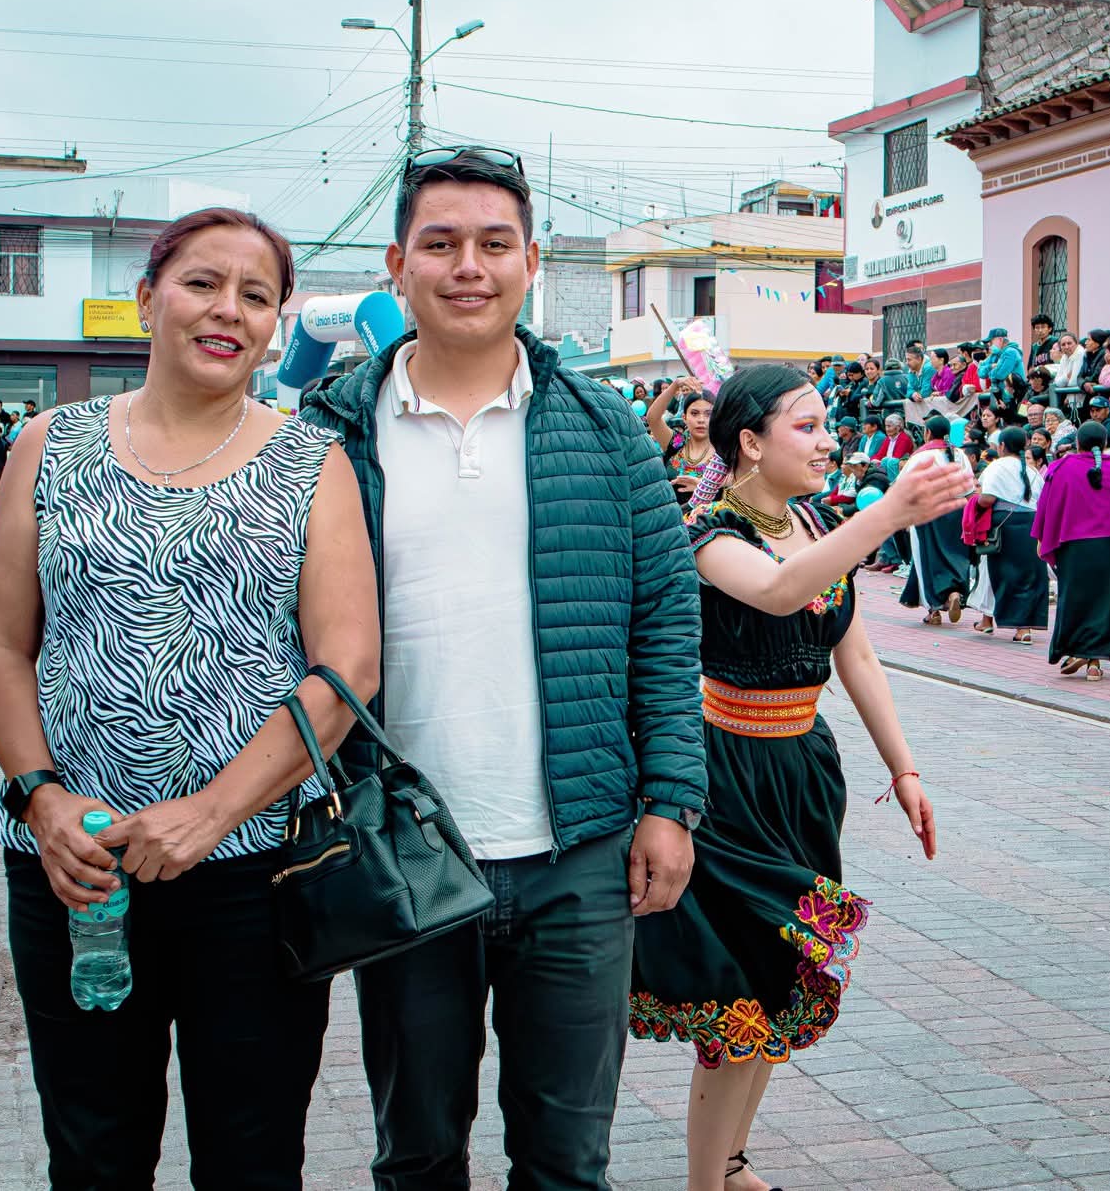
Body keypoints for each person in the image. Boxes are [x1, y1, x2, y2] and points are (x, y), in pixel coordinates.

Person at [299, 147, 706, 1190]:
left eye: (493, 243)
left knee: (567, 1162)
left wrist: (671, 802)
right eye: (440, 243)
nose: (467, 267)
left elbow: (665, 622)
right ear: (399, 264)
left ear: (531, 261)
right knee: (417, 1154)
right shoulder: (330, 433)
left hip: (579, 853)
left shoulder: (605, 431)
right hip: (405, 853)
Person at [0, 206, 381, 1188]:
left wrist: (210, 813)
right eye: (202, 283)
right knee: (92, 1152)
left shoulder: (311, 461)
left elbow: (346, 670)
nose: (228, 309)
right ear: (147, 299)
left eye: (257, 295)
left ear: (276, 325)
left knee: (251, 1158)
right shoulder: (49, 444)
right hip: (76, 872)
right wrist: (40, 796)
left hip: (255, 873)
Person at [629, 364, 955, 1191]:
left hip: (804, 776)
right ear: (749, 441)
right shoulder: (709, 535)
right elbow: (778, 592)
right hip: (727, 783)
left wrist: (904, 767)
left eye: (825, 424)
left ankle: (733, 1162)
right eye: (805, 427)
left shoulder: (814, 521)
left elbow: (857, 654)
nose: (827, 441)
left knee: (782, 979)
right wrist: (889, 512)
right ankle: (706, 1183)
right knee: (738, 997)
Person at [1031, 420, 1110, 680]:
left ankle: (1079, 649)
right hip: (1107, 547)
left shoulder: (1061, 467)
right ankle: (1094, 663)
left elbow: (1047, 505)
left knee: (1075, 599)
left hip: (1073, 547)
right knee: (1104, 602)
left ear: (1077, 443)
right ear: (1106, 443)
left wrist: (1042, 537)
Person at [968, 425, 1046, 642]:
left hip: (1005, 527)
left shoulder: (997, 467)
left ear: (1001, 446)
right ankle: (1004, 624)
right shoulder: (1032, 471)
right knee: (1027, 577)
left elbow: (987, 499)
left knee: (1003, 575)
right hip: (1031, 525)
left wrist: (973, 501)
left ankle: (1019, 627)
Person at [898, 415, 973, 625]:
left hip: (928, 511)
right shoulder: (959, 454)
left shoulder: (921, 456)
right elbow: (969, 487)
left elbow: (903, 486)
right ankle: (954, 593)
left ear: (928, 432)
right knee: (954, 556)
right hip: (957, 510)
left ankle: (934, 610)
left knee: (926, 558)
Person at [648, 376, 716, 504]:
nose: (701, 420)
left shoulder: (724, 451)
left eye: (708, 414)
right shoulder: (677, 442)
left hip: (709, 516)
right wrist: (675, 385)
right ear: (684, 417)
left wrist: (704, 488)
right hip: (671, 514)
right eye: (694, 413)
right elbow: (653, 418)